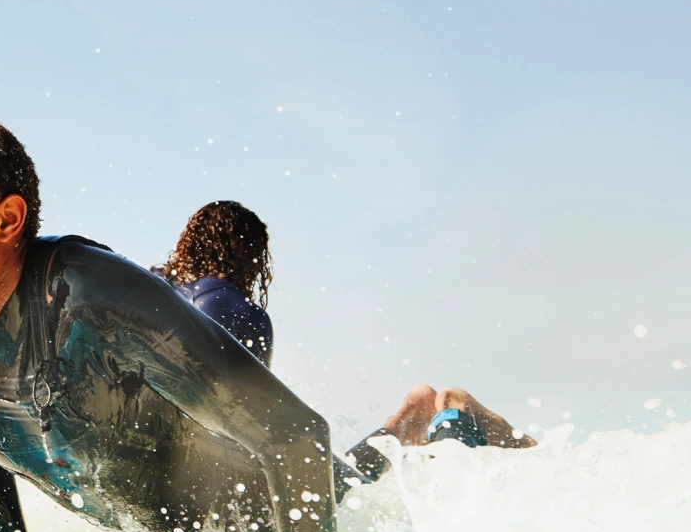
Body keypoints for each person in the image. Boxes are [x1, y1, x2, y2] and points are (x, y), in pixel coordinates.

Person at [0, 116, 345, 532]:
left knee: (363, 479)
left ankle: (413, 424)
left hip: (279, 524)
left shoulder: (95, 298)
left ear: (7, 220)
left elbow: (297, 434)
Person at [146, 200, 536, 483]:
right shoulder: (237, 309)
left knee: (349, 479)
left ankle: (437, 411)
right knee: (353, 475)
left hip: (220, 479)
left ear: (189, 244)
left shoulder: (154, 294)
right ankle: (428, 411)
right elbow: (253, 421)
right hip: (251, 479)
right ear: (252, 259)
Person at [152, 201, 276, 364]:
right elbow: (257, 388)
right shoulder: (248, 314)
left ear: (190, 243)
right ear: (248, 255)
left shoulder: (154, 283)